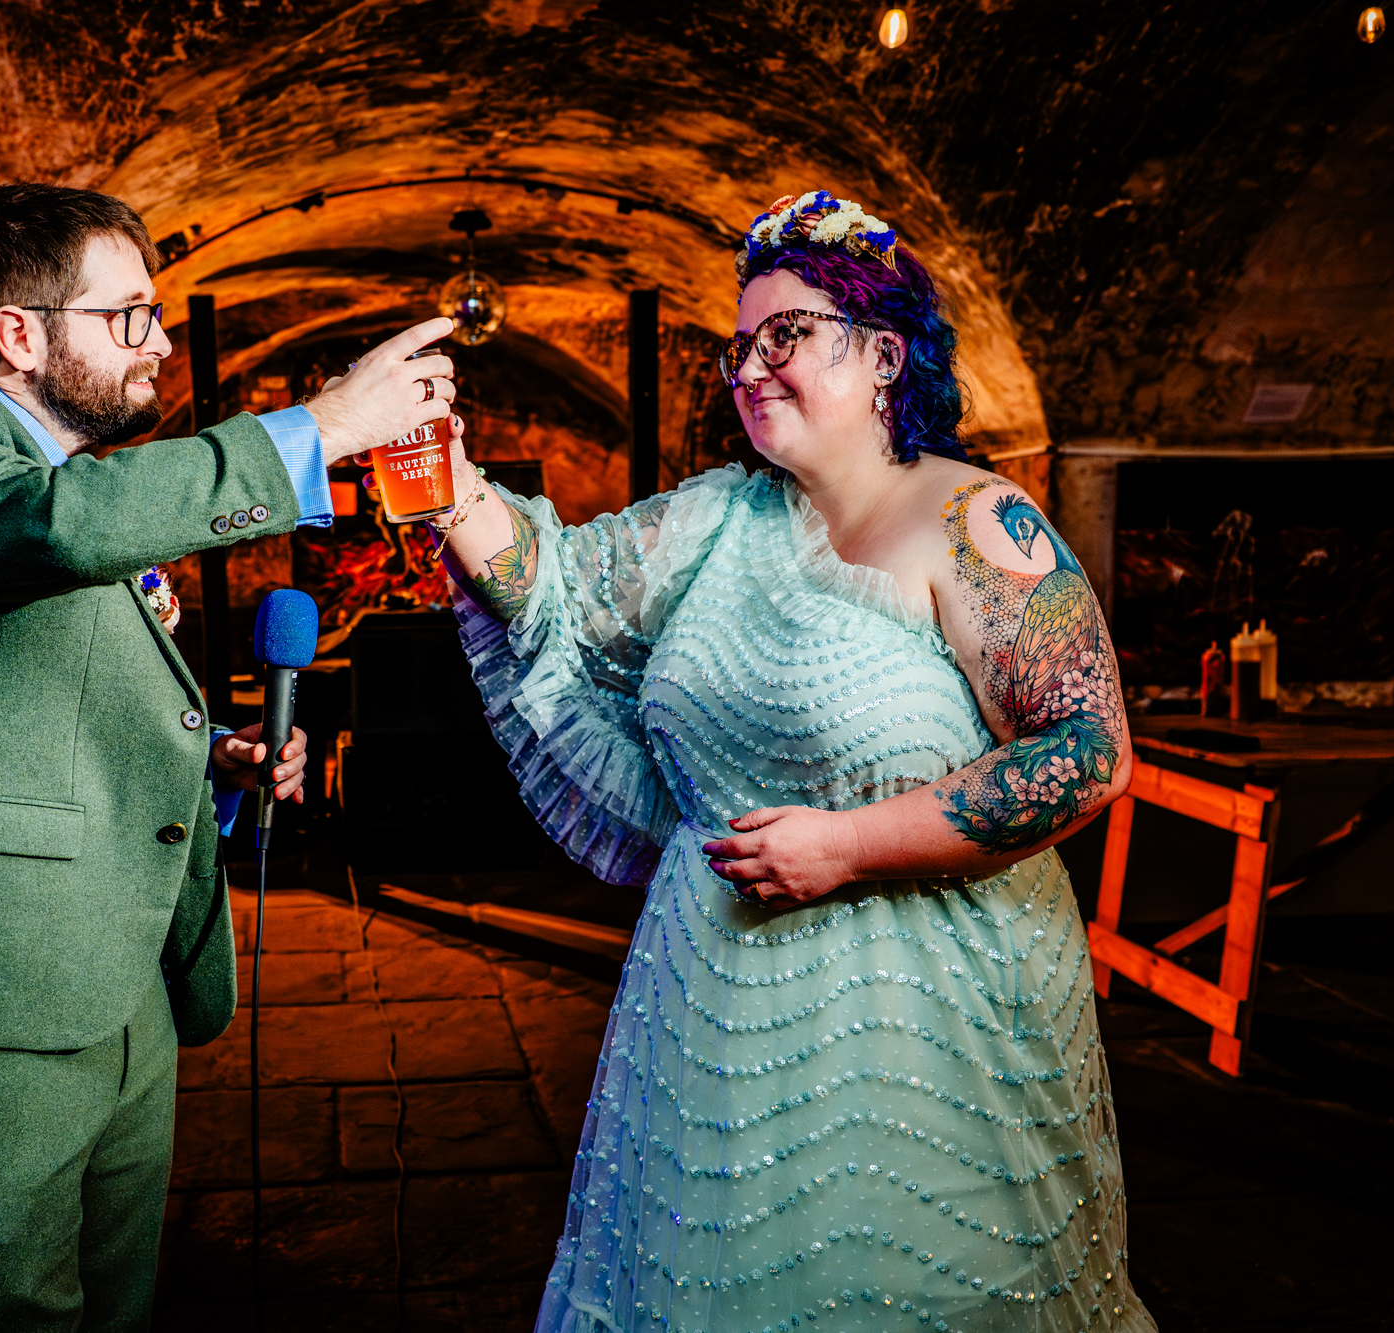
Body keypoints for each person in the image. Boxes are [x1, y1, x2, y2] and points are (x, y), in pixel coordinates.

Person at [431, 191, 1155, 1332]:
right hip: (705, 1009)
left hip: (921, 1029)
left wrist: (849, 844)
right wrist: (442, 472)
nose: (750, 366)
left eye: (786, 335)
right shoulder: (719, 517)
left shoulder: (972, 522)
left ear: (880, 355)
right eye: (739, 344)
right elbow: (551, 587)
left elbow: (1084, 751)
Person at [0, 182, 456, 1330]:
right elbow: (49, 528)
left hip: (119, 978)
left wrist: (220, 768)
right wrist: (320, 429)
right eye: (128, 315)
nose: (153, 341)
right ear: (19, 333)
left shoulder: (80, 487)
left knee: (116, 1309)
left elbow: (48, 708)